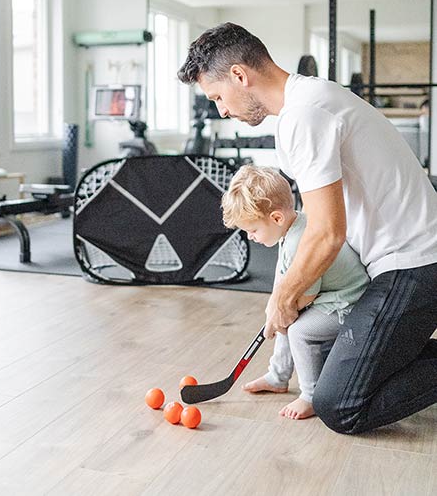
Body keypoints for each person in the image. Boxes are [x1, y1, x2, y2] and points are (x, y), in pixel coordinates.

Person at [177, 22, 437, 434]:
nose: (222, 110)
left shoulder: (305, 115)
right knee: (332, 351)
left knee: (340, 407)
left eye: (218, 97)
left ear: (240, 76)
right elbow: (317, 222)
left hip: (415, 266)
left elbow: (327, 232)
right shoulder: (309, 100)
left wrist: (284, 296)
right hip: (396, 265)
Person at [222, 164, 369, 420]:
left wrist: (281, 318)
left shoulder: (299, 240)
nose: (251, 237)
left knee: (298, 329)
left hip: (349, 301)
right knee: (283, 317)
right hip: (330, 296)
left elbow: (306, 296)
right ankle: (278, 376)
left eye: (253, 230)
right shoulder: (291, 227)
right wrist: (275, 314)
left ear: (276, 218)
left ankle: (310, 395)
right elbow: (284, 282)